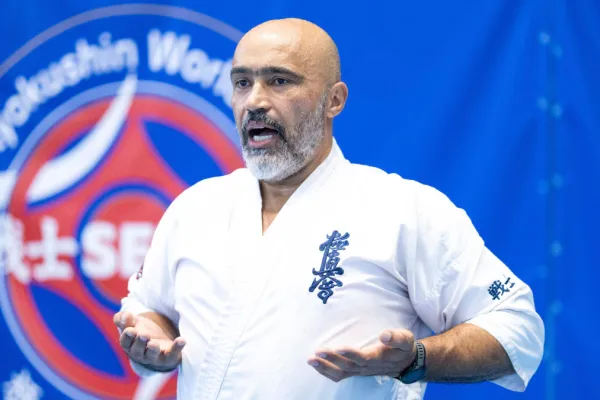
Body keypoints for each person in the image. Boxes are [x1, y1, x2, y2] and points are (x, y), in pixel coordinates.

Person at [114, 18, 544, 399]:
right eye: (242, 82)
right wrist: (151, 338)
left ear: (334, 100)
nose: (255, 101)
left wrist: (415, 358)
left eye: (279, 81)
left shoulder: (401, 210)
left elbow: (517, 327)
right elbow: (149, 308)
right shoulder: (196, 208)